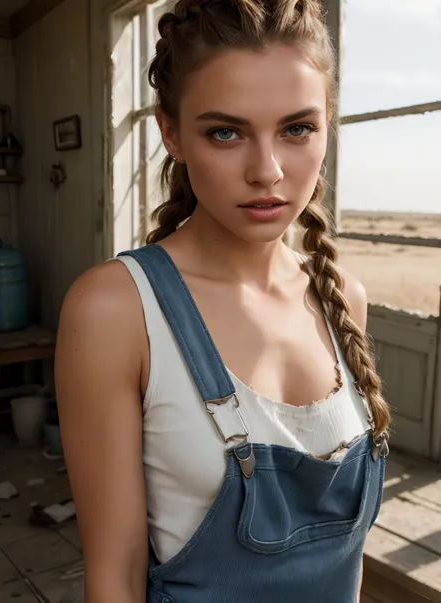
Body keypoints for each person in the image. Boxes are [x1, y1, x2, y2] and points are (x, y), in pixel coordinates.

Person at [55, 1, 391, 602]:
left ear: (327, 124)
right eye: (226, 132)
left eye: (296, 128)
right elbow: (114, 579)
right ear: (172, 135)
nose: (267, 172)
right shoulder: (117, 309)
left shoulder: (344, 300)